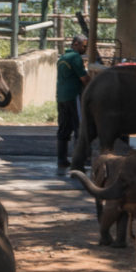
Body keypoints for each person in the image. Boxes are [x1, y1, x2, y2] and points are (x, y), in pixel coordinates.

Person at [56, 34, 89, 175]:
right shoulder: (75, 58)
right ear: (76, 44)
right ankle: (78, 162)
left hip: (61, 97)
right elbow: (84, 78)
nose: (85, 48)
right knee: (79, 128)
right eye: (84, 45)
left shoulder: (62, 58)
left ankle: (62, 159)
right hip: (73, 96)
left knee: (64, 128)